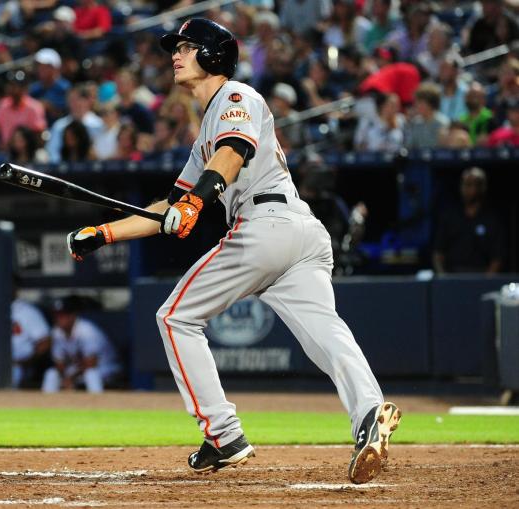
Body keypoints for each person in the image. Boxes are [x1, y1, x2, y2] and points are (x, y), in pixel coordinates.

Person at [66, 18, 401, 484]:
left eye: (186, 47)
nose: (175, 55)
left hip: (267, 226)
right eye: (175, 48)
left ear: (212, 55)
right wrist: (103, 232)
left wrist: (196, 203)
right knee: (326, 333)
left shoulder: (236, 95)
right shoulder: (206, 129)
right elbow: (172, 203)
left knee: (175, 317)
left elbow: (234, 151)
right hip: (297, 234)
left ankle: (223, 435)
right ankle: (369, 415)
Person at [42, 296, 121, 393]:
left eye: (63, 315)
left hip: (105, 367)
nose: (59, 319)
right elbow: (59, 363)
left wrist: (70, 377)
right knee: (51, 374)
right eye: (57, 315)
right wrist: (65, 377)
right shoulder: (56, 332)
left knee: (91, 374)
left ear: (72, 316)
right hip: (78, 369)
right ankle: (46, 404)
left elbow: (91, 363)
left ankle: (98, 403)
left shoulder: (87, 331)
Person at [433, 167, 504, 274]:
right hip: (453, 276)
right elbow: (438, 253)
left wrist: (487, 281)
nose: (470, 189)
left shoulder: (492, 219)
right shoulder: (450, 216)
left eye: (475, 184)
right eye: (467, 184)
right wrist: (443, 278)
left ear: (482, 187)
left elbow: (497, 257)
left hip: (481, 275)